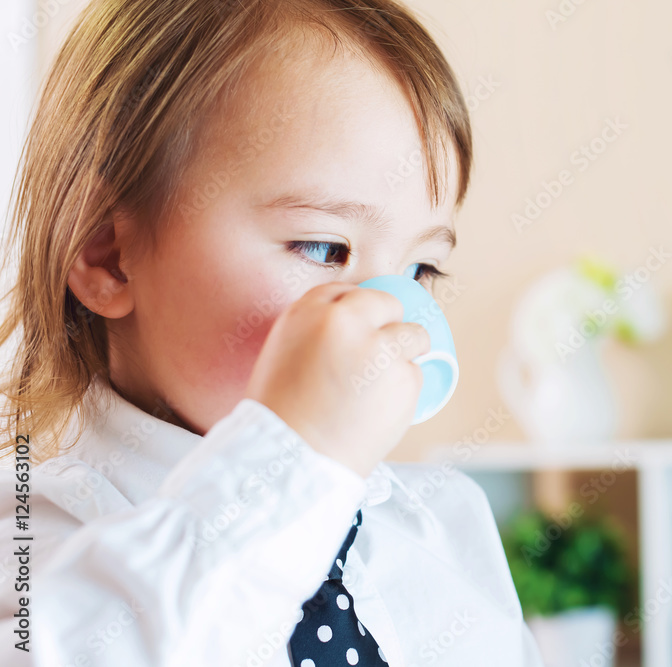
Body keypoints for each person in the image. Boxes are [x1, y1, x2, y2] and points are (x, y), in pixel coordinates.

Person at [0, 1, 545, 665]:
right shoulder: (36, 536)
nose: (390, 312)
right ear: (108, 252)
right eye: (322, 247)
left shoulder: (444, 521)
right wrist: (293, 465)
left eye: (418, 268)